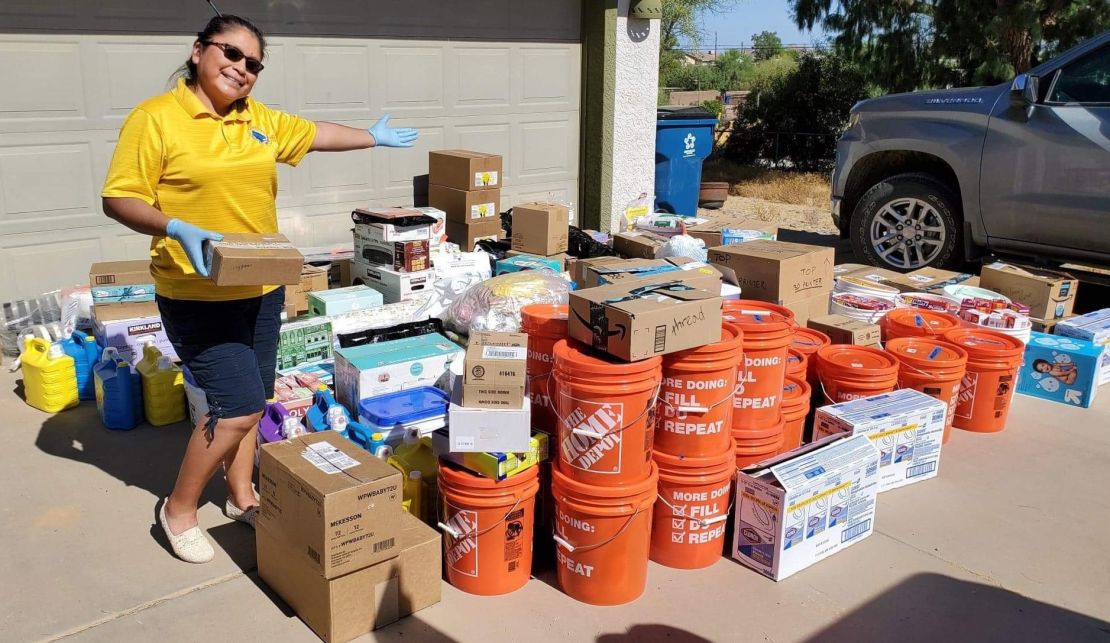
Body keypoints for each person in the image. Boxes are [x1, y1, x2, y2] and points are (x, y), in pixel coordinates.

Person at [101, 14, 418, 563]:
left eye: (253, 64)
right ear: (199, 50)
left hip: (262, 285)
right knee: (238, 406)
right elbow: (119, 197)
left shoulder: (258, 120)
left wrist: (371, 135)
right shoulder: (156, 119)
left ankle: (242, 496)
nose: (241, 69)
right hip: (195, 293)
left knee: (256, 399)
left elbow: (315, 134)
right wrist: (173, 225)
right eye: (231, 53)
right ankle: (177, 509)